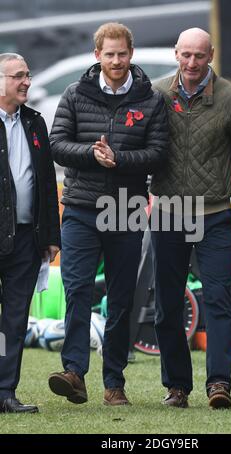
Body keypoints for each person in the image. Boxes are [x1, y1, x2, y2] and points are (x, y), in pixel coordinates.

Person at [48, 23, 168, 406]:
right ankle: (74, 373)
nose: (116, 60)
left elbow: (158, 154)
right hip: (81, 208)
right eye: (109, 54)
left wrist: (119, 160)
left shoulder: (151, 100)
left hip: (127, 209)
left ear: (131, 54)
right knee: (77, 291)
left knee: (120, 300)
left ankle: (114, 382)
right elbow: (56, 144)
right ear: (96, 54)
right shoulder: (74, 94)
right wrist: (90, 154)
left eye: (122, 53)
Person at [150, 28, 231, 409]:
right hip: (166, 216)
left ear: (211, 54)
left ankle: (219, 385)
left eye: (200, 56)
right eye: (186, 55)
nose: (192, 63)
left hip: (215, 216)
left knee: (217, 299)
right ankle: (177, 387)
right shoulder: (156, 94)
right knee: (167, 304)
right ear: (175, 53)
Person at [0, 53, 61, 413]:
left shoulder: (36, 122)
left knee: (15, 318)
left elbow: (46, 183)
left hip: (25, 238)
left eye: (28, 75)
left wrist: (50, 236)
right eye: (18, 76)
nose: (26, 81)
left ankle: (5, 391)